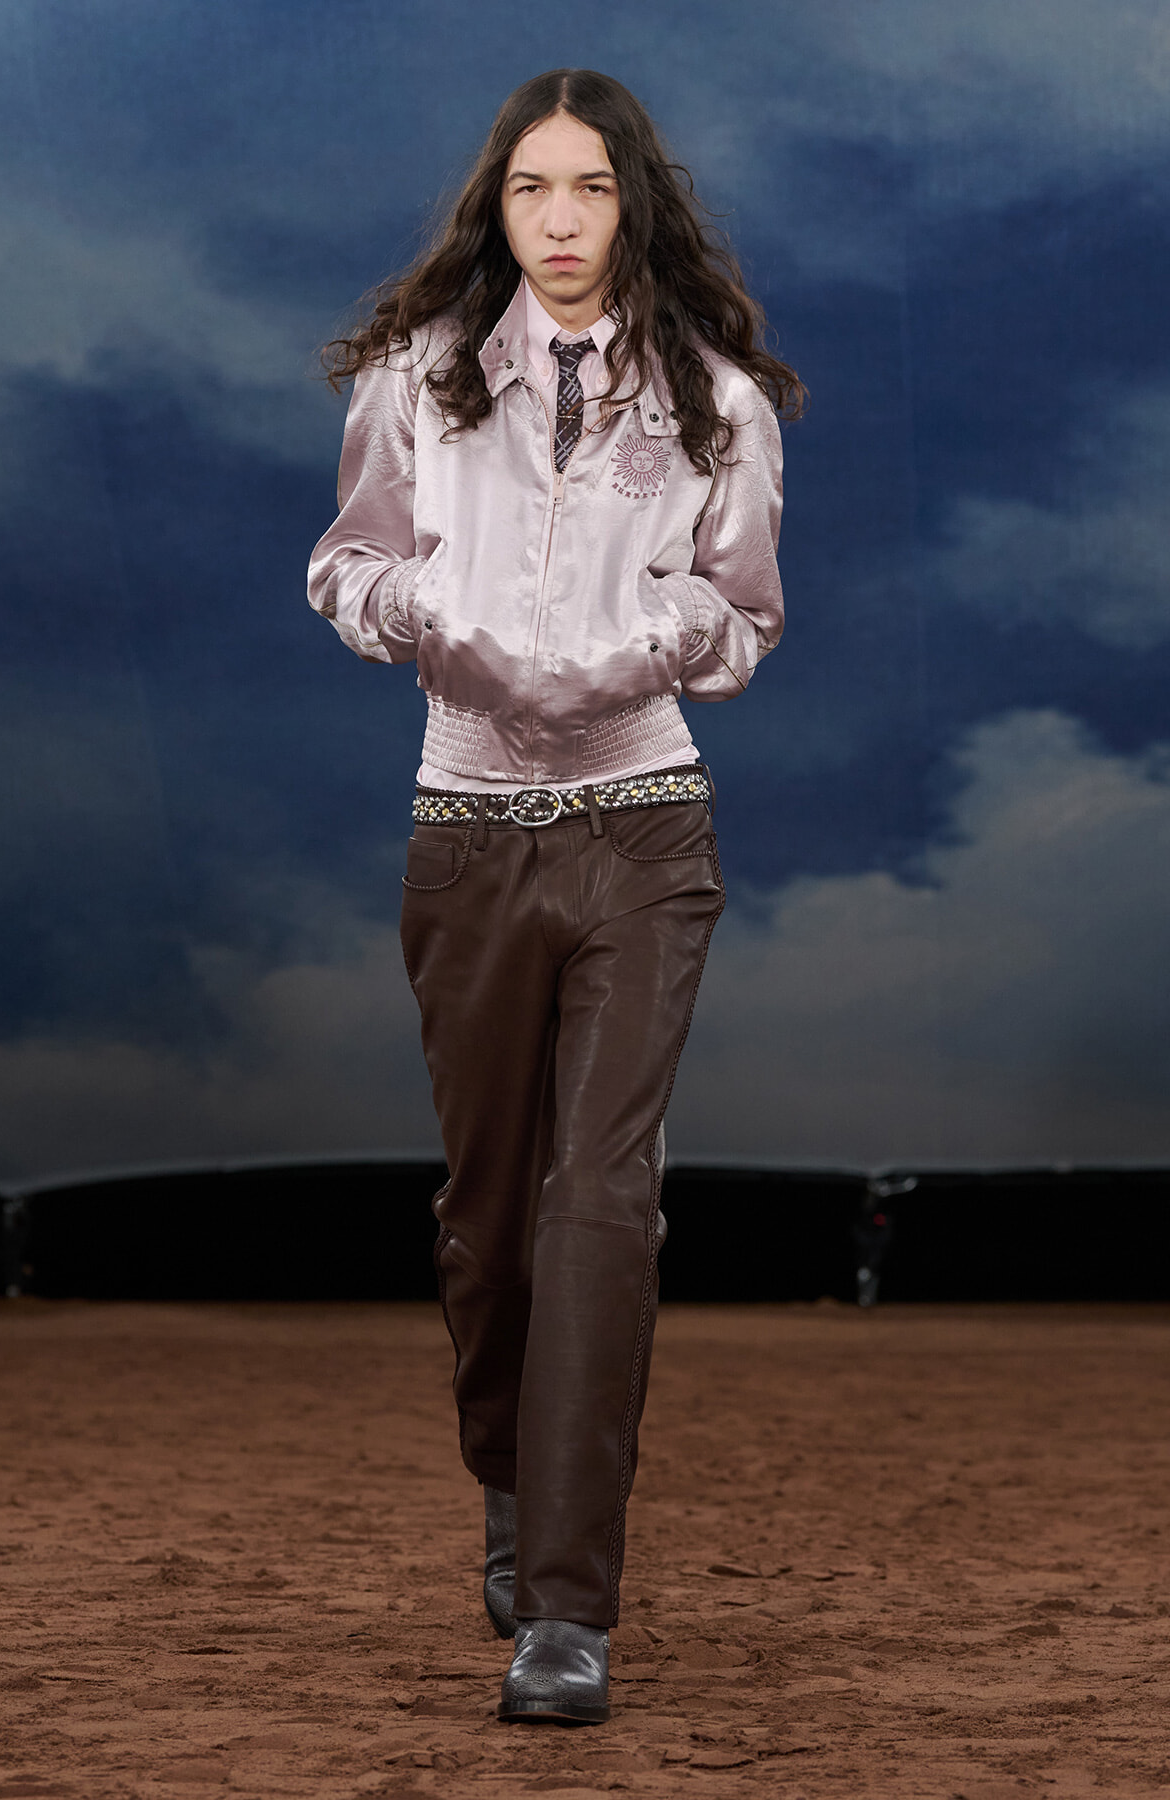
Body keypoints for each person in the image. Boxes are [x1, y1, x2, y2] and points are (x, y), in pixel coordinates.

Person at [307, 68, 804, 1724]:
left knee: (603, 1204)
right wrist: (433, 620)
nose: (566, 222)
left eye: (594, 190)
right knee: (487, 1221)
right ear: (499, 210)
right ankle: (518, 1501)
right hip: (464, 828)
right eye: (535, 191)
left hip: (645, 830)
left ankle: (570, 1615)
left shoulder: (721, 401)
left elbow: (741, 618)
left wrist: (633, 645)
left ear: (633, 205)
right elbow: (346, 566)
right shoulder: (416, 383)